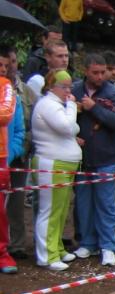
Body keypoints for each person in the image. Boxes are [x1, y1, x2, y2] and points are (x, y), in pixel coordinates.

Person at [72, 54, 115, 267]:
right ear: (86, 71)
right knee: (84, 203)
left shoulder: (113, 92)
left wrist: (93, 107)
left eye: (103, 72)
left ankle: (108, 246)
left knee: (106, 204)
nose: (100, 76)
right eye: (95, 72)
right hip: (82, 158)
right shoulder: (75, 90)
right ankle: (88, 242)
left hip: (107, 156)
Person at [30, 70, 82, 271]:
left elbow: (70, 127)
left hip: (64, 163)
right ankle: (46, 255)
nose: (69, 91)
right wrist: (71, 106)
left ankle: (56, 248)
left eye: (70, 86)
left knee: (60, 211)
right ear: (52, 86)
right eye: (65, 87)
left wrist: (69, 112)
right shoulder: (48, 104)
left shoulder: (57, 105)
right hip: (51, 163)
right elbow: (68, 127)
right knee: (49, 210)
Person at [0, 45, 34, 260]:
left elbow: (20, 130)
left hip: (7, 159)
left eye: (7, 64)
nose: (4, 69)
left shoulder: (13, 93)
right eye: (0, 65)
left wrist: (8, 156)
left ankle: (5, 250)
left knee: (6, 209)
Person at [0, 74, 18, 273]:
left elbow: (5, 114)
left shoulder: (4, 85)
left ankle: (2, 253)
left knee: (0, 210)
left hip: (1, 155)